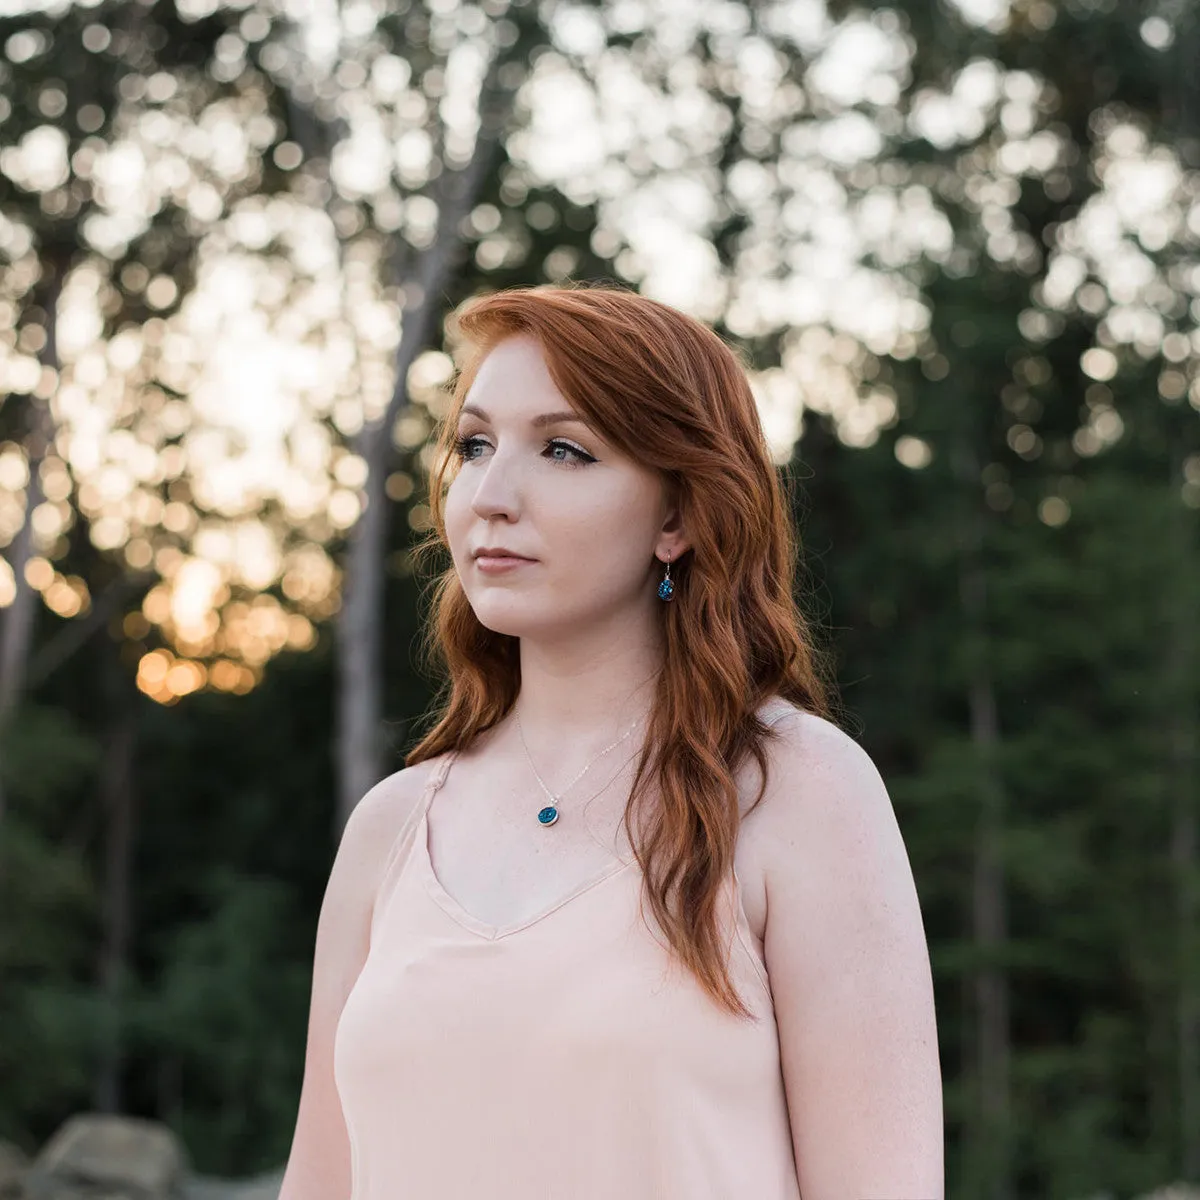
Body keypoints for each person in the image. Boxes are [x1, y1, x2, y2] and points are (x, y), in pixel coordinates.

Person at [278, 283, 943, 1199]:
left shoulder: (799, 790)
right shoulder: (392, 827)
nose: (490, 496)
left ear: (678, 517)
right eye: (474, 445)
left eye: (563, 449)